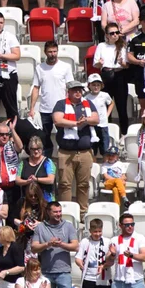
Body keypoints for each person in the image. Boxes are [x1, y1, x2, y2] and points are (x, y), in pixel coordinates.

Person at [51, 81, 98, 215]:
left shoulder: (88, 103)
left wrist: (86, 121)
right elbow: (57, 120)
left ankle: (82, 213)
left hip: (85, 152)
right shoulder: (61, 104)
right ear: (69, 92)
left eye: (80, 90)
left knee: (84, 185)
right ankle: (65, 213)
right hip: (66, 152)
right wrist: (76, 123)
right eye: (75, 90)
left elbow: (96, 119)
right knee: (65, 185)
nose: (78, 93)